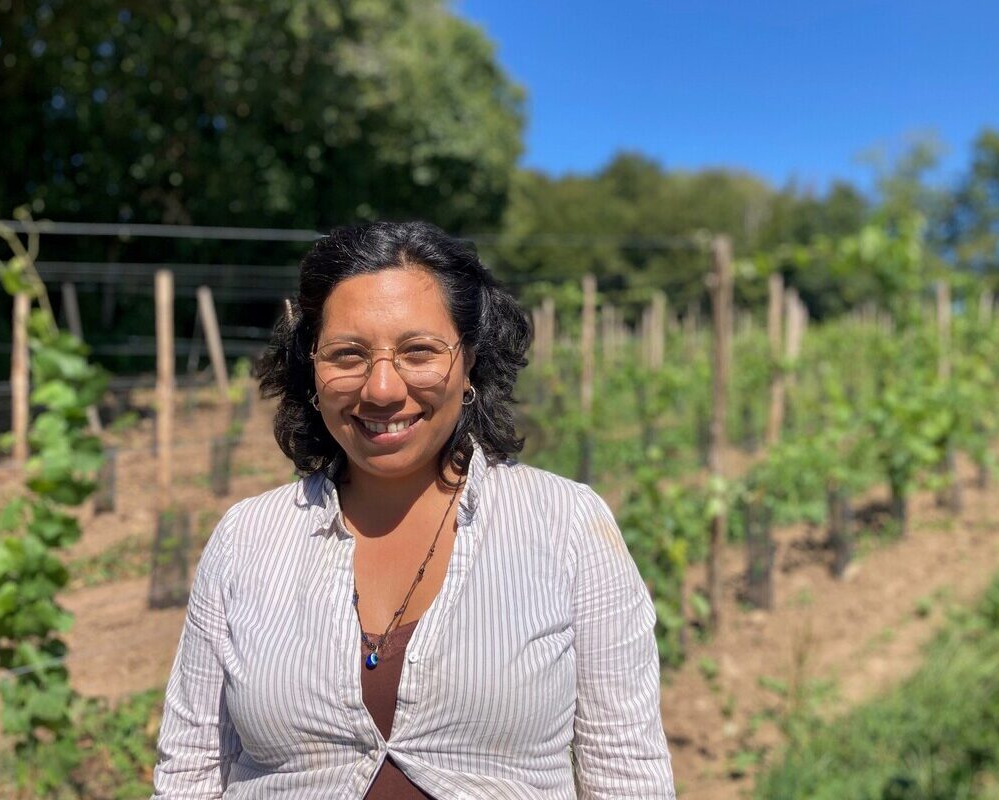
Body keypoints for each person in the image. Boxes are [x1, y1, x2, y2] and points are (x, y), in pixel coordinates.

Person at [151, 221, 676, 798]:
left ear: (470, 361)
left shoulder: (568, 527)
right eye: (347, 354)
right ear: (312, 370)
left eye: (418, 351)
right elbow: (191, 769)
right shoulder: (247, 539)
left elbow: (626, 769)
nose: (380, 388)